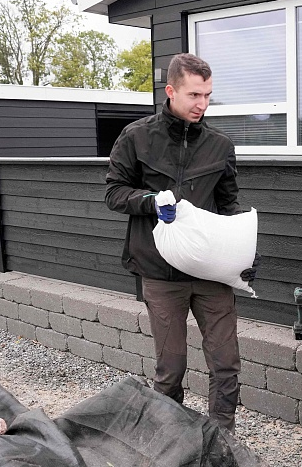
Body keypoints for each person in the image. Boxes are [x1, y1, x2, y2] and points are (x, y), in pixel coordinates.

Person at [105, 53, 257, 432]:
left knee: (226, 361)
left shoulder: (220, 145)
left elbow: (228, 205)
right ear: (171, 91)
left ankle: (223, 438)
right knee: (170, 367)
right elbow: (114, 193)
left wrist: (243, 254)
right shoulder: (136, 137)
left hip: (210, 272)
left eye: (207, 95)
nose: (202, 104)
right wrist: (151, 202)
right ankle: (171, 438)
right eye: (194, 95)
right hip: (159, 270)